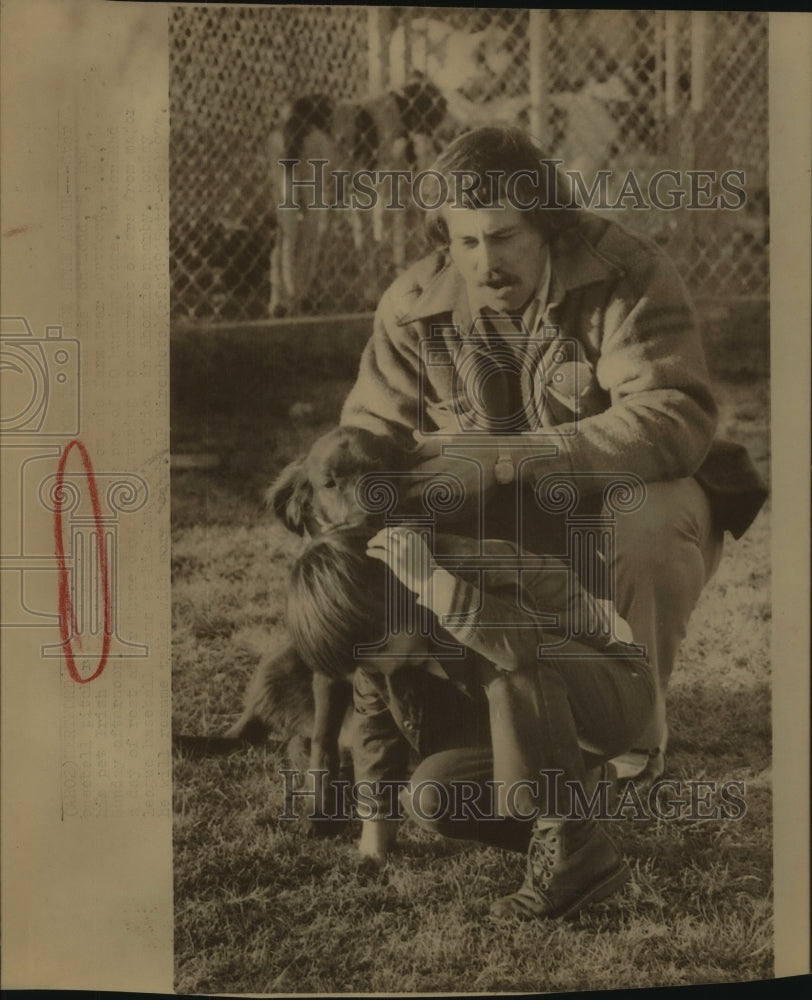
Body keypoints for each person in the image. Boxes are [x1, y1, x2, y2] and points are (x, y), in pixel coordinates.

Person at [339, 126, 767, 781]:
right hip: (499, 529)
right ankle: (447, 724)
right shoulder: (413, 305)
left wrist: (511, 456)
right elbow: (364, 439)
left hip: (610, 502)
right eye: (467, 242)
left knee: (648, 525)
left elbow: (675, 413)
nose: (486, 263)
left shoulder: (628, 271)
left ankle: (632, 740)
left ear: (549, 226)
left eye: (506, 237)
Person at [286, 522, 656, 919]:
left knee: (509, 660)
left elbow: (519, 648)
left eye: (374, 649)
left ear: (394, 600)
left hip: (612, 696)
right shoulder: (380, 650)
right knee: (431, 794)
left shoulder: (464, 567)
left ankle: (572, 848)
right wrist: (374, 843)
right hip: (544, 732)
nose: (376, 667)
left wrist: (432, 582)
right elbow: (375, 732)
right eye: (360, 661)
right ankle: (583, 802)